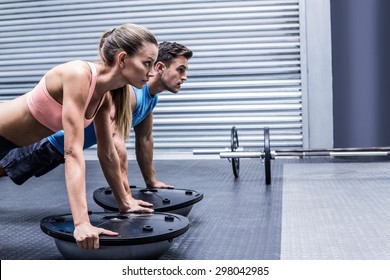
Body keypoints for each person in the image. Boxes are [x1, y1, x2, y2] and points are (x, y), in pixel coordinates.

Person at [0, 23, 158, 250]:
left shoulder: (103, 97)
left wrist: (124, 202)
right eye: (147, 63)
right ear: (123, 59)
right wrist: (82, 223)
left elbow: (107, 152)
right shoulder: (78, 74)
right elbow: (72, 152)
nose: (152, 73)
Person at [0, 42, 193, 192]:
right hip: (48, 142)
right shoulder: (132, 94)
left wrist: (151, 181)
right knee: (4, 169)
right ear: (160, 67)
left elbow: (145, 139)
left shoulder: (151, 98)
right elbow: (115, 144)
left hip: (61, 148)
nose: (184, 77)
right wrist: (125, 196)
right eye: (180, 69)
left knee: (7, 172)